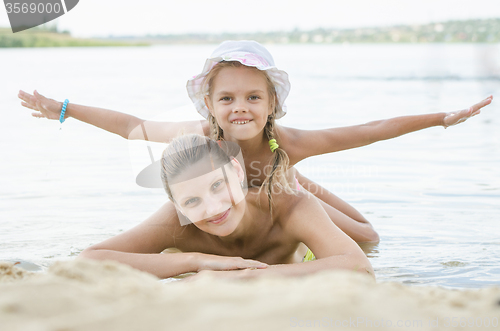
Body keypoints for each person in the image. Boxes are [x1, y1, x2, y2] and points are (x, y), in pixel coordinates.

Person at [18, 40, 493, 244]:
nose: (239, 107)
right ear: (209, 103)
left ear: (271, 104)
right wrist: (62, 109)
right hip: (247, 208)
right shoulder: (199, 137)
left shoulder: (290, 140)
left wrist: (440, 120)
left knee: (368, 237)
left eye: (252, 97)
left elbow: (369, 130)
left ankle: (307, 188)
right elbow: (131, 125)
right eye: (227, 98)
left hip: (287, 194)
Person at [79, 134, 374, 280]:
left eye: (217, 185)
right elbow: (89, 258)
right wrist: (195, 261)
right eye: (192, 201)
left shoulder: (290, 205)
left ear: (236, 169)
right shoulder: (174, 220)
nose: (212, 207)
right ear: (176, 205)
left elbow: (359, 265)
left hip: (300, 244)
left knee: (368, 236)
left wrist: (249, 276)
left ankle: (293, 174)